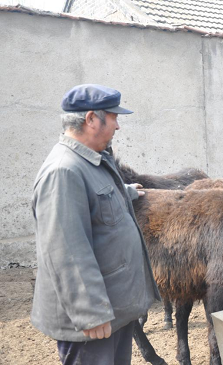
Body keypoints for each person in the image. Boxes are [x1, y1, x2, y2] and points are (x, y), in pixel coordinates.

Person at [31, 84, 160, 365]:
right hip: (92, 321)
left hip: (112, 310)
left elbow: (94, 200)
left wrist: (125, 192)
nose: (118, 126)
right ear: (91, 119)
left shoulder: (89, 161)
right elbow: (65, 251)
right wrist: (90, 313)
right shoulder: (63, 172)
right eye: (113, 117)